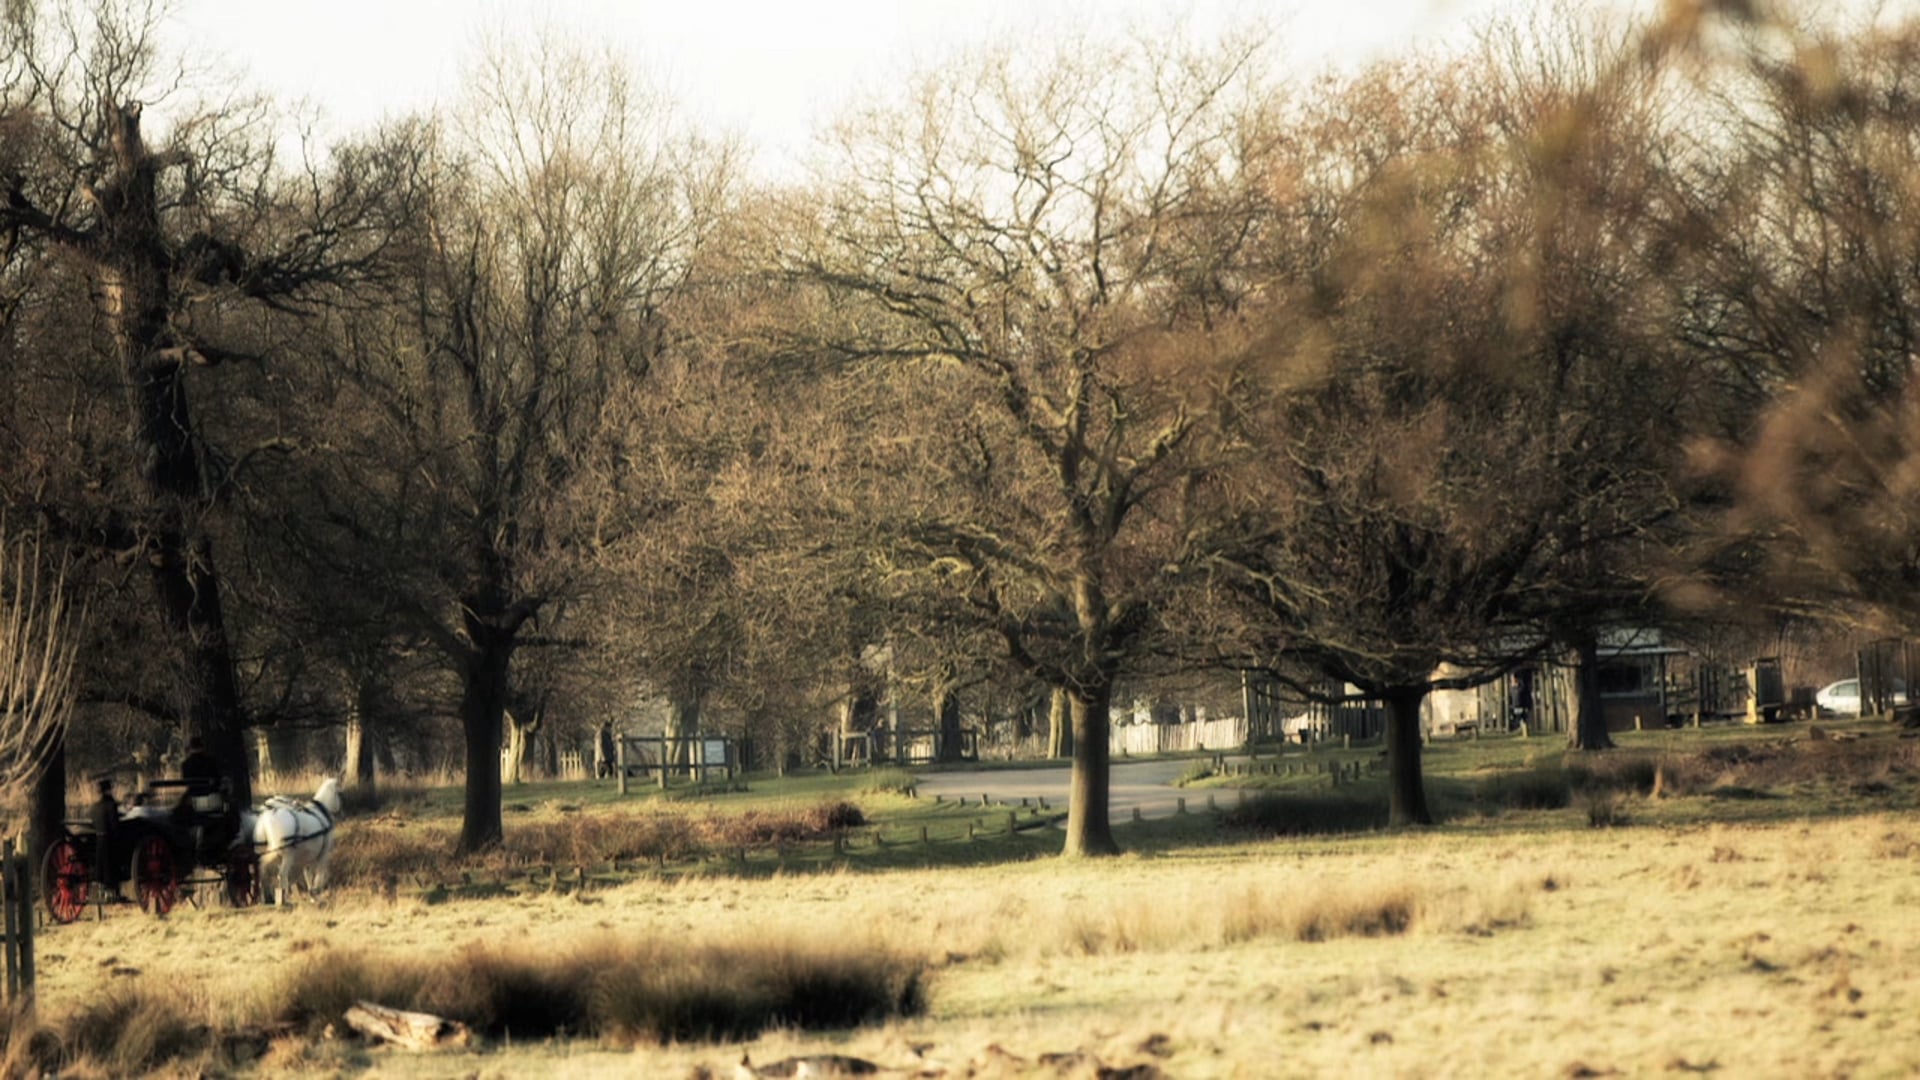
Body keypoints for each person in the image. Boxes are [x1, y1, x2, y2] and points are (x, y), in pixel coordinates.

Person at [90, 777, 124, 899]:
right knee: (112, 866)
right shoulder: (111, 805)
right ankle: (114, 893)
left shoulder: (95, 807)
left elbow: (93, 823)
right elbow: (114, 825)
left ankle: (102, 892)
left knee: (101, 868)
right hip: (110, 841)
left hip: (98, 839)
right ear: (108, 790)